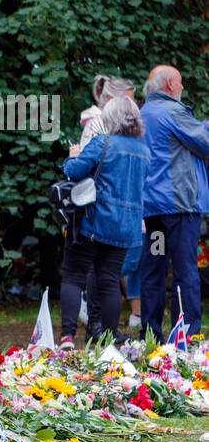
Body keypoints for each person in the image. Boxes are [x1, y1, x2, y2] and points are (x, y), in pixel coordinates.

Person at [58, 96, 151, 347]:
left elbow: (74, 171)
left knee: (73, 276)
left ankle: (67, 336)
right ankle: (107, 339)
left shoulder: (103, 142)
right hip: (126, 227)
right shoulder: (144, 150)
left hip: (93, 221)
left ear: (109, 119)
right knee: (109, 281)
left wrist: (71, 156)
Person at [138, 65, 209, 336]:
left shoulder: (143, 113)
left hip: (154, 211)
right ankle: (187, 334)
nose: (182, 87)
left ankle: (150, 334)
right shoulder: (173, 111)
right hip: (180, 207)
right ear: (169, 84)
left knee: (154, 269)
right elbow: (205, 143)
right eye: (180, 82)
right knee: (184, 270)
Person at [77, 75, 140, 336]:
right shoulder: (99, 127)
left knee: (108, 272)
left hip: (113, 208)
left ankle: (102, 326)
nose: (134, 104)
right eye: (130, 98)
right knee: (104, 272)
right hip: (104, 209)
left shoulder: (116, 131)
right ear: (114, 100)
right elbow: (85, 166)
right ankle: (98, 324)